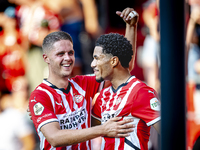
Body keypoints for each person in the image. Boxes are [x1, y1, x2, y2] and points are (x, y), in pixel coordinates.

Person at [28, 8, 137, 150]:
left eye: (71, 53)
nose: (67, 58)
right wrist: (103, 129)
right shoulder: (40, 96)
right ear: (46, 58)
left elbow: (123, 68)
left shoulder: (83, 83)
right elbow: (54, 138)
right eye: (60, 54)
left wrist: (131, 27)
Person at [91, 10, 160, 150]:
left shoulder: (141, 92)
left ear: (114, 61)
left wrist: (131, 27)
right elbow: (89, 129)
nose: (93, 64)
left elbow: (169, 134)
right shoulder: (103, 96)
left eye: (97, 58)